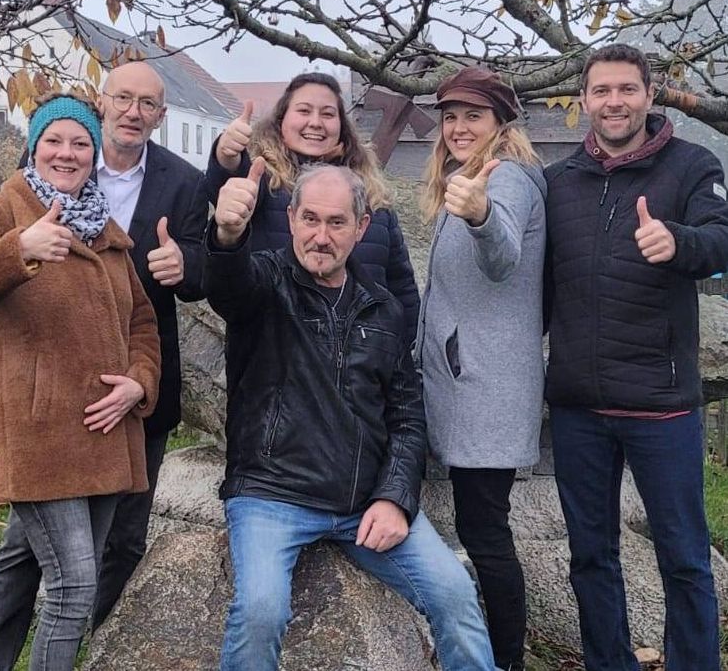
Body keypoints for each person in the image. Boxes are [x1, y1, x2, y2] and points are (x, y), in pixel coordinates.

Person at [205, 161, 498, 671]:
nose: (321, 236)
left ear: (362, 228)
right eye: (311, 219)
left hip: (364, 503)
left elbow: (407, 417)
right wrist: (227, 234)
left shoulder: (383, 308)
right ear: (292, 218)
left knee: (455, 594)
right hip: (271, 494)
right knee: (260, 611)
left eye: (337, 222)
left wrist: (395, 499)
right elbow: (227, 285)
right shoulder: (265, 282)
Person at [0, 93, 160, 670]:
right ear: (34, 147)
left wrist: (140, 382)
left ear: (94, 154)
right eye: (54, 141)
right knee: (72, 586)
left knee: (22, 557)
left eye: (80, 142)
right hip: (39, 435)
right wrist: (20, 249)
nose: (67, 152)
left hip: (106, 432)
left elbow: (140, 320)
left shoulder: (105, 229)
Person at [544, 43, 728, 670]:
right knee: (591, 555)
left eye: (627, 89)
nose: (614, 101)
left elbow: (721, 241)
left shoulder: (692, 166)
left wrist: (678, 240)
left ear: (649, 95)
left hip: (662, 405)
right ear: (585, 99)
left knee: (683, 556)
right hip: (577, 407)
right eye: (602, 91)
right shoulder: (558, 182)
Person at [8, 62, 209, 635]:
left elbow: (199, 274)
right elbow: (2, 248)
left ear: (161, 115)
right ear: (103, 101)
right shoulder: (61, 158)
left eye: (147, 104)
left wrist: (186, 266)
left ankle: (95, 642)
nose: (133, 112)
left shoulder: (185, 181)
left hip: (141, 376)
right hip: (54, 381)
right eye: (123, 98)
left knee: (124, 535)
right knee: (25, 544)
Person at [415, 66, 546, 671]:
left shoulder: (507, 179)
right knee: (479, 528)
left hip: (485, 389)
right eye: (451, 116)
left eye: (474, 115)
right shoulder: (464, 177)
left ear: (500, 123)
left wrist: (480, 215)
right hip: (463, 384)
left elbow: (503, 257)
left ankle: (506, 661)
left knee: (486, 534)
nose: (460, 126)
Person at [205, 71, 420, 339]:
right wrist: (226, 156)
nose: (316, 122)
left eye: (328, 114)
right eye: (304, 111)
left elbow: (402, 290)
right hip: (277, 360)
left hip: (364, 364)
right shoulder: (263, 182)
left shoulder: (372, 197)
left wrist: (408, 358)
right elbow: (229, 193)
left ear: (342, 125)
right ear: (282, 120)